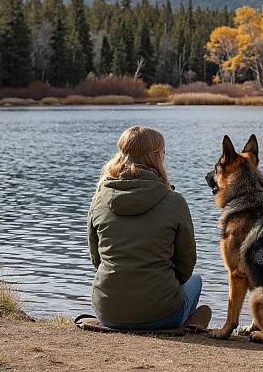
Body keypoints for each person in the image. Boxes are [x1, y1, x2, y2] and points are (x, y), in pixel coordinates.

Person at [87, 125, 210, 330]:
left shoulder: (99, 198)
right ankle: (183, 324)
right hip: (160, 314)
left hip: (107, 312)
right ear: (156, 156)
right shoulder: (174, 201)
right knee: (196, 282)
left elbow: (96, 259)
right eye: (163, 152)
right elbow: (186, 264)